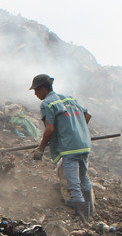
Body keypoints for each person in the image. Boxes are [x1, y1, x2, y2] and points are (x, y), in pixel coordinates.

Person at [29, 74, 93, 220]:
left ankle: (82, 217)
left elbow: (50, 129)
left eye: (36, 91)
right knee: (84, 178)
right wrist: (78, 131)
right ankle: (91, 210)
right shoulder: (68, 98)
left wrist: (40, 149)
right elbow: (87, 116)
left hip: (70, 148)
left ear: (43, 89)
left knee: (73, 183)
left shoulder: (47, 103)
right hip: (84, 144)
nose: (35, 94)